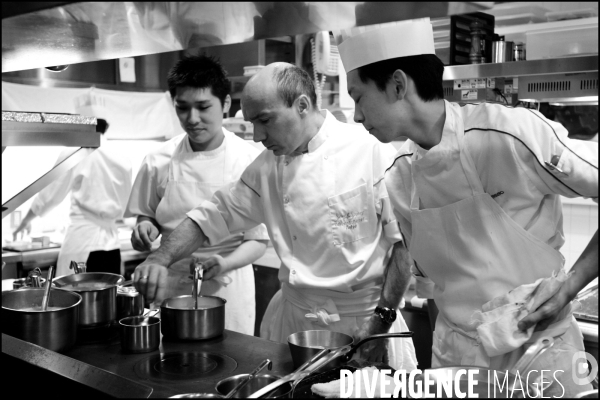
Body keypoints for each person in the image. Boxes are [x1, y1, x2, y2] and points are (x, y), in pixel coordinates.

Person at [338, 19, 598, 396]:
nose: (357, 115)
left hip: (542, 353)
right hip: (456, 362)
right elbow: (431, 287)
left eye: (358, 97)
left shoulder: (508, 135)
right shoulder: (400, 178)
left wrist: (570, 286)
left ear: (397, 85)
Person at [133, 62, 418, 371]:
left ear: (302, 106)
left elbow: (405, 244)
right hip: (295, 325)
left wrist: (382, 320)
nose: (257, 135)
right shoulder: (267, 166)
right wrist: (159, 258)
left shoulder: (371, 151)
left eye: (264, 120)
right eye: (252, 122)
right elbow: (211, 216)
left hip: (364, 327)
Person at [125, 54, 268, 335]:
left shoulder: (249, 161)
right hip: (170, 282)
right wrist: (143, 227)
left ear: (225, 103)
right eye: (182, 108)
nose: (192, 119)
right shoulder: (158, 159)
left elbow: (258, 241)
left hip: (228, 284)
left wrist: (224, 262)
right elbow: (147, 215)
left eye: (203, 107)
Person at [13, 119, 133, 276]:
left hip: (83, 245)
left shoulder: (78, 151)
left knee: (75, 299)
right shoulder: (121, 157)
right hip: (112, 249)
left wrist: (26, 220)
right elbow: (128, 208)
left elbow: (50, 196)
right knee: (107, 299)